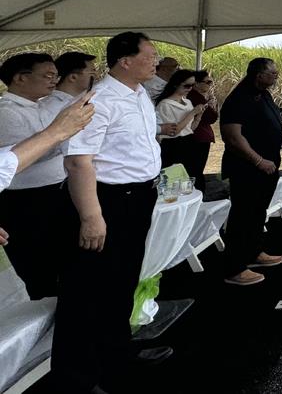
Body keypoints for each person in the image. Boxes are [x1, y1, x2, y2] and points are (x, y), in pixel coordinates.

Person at [53, 32, 171, 392]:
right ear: (125, 60)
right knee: (87, 291)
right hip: (107, 201)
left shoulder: (139, 96)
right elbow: (78, 161)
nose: (156, 61)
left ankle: (116, 355)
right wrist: (91, 216)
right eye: (149, 55)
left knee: (121, 283)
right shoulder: (99, 100)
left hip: (137, 199)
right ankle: (79, 378)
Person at [0, 53, 69, 298]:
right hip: (26, 200)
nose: (54, 81)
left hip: (54, 191)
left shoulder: (43, 106)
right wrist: (64, 139)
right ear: (20, 78)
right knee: (35, 262)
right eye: (48, 75)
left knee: (55, 257)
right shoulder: (7, 112)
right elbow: (23, 157)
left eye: (56, 76)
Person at [219, 58, 282, 286]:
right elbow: (233, 137)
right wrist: (259, 161)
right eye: (273, 73)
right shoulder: (239, 98)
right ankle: (235, 267)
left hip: (267, 166)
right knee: (243, 215)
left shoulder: (264, 93)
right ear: (259, 75)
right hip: (248, 169)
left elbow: (268, 119)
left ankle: (254, 253)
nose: (276, 76)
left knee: (258, 213)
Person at [155, 69, 204, 182]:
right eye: (187, 86)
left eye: (192, 85)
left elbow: (190, 129)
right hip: (173, 146)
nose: (190, 89)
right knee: (176, 179)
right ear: (176, 84)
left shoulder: (187, 102)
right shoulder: (165, 104)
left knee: (193, 176)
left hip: (189, 142)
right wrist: (192, 113)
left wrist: (198, 117)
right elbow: (173, 131)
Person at [186, 70, 218, 193]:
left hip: (198, 136)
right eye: (208, 82)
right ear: (196, 83)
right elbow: (211, 117)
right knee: (196, 170)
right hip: (198, 137)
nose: (210, 85)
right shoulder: (196, 97)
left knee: (195, 170)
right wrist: (211, 106)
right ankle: (198, 195)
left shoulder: (196, 97)